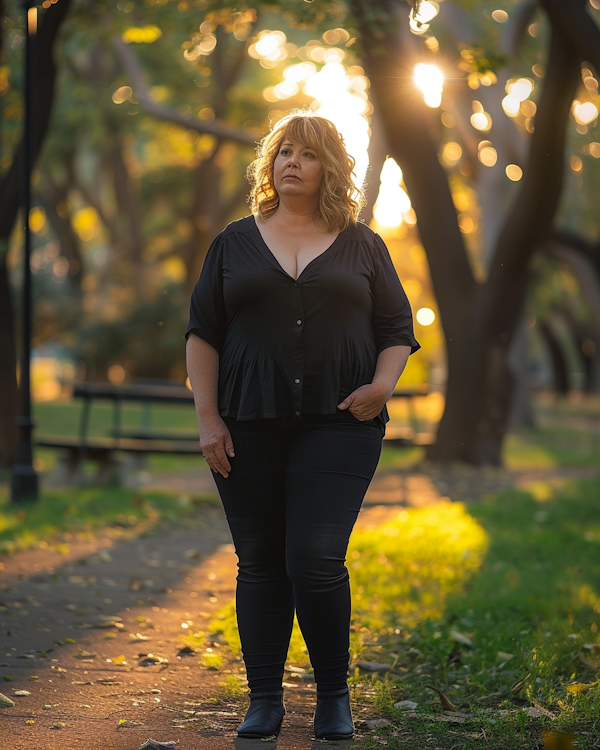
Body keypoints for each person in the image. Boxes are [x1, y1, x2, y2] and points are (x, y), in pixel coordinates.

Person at [185, 112, 420, 740]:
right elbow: (203, 333)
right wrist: (208, 420)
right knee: (259, 560)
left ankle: (333, 696)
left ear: (329, 168)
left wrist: (381, 385)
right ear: (270, 163)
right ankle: (264, 698)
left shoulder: (363, 243)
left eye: (307, 154)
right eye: (283, 151)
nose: (292, 162)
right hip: (246, 423)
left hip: (341, 422)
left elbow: (397, 331)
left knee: (314, 557)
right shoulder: (233, 242)